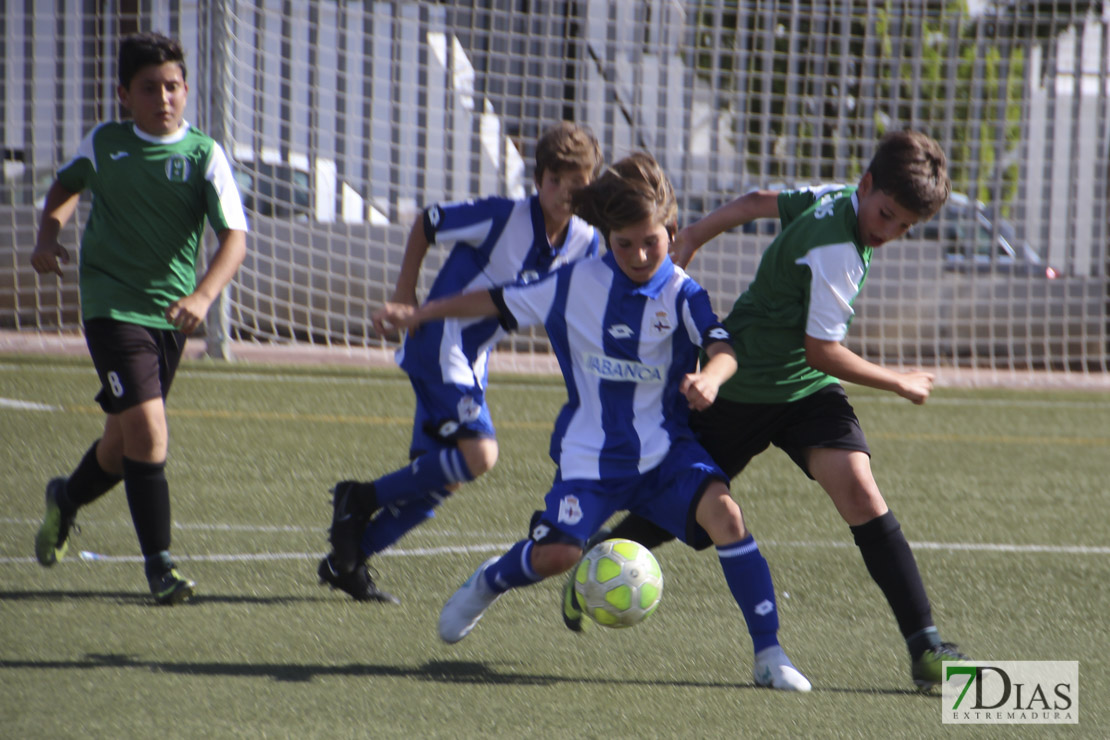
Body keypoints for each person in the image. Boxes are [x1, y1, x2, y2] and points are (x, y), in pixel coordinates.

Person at [376, 152, 812, 692]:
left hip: (665, 452)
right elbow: (494, 299)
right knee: (559, 554)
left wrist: (713, 379)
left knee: (727, 516)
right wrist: (418, 312)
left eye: (650, 241)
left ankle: (769, 654)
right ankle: (490, 579)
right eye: (623, 242)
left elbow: (722, 347)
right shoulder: (572, 282)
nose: (638, 253)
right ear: (607, 237)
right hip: (590, 457)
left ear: (670, 232)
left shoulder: (682, 292)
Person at [591, 130, 968, 690]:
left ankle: (925, 644)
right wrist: (897, 380)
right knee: (680, 506)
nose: (888, 233)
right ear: (867, 186)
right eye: (887, 215)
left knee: (861, 491)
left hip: (805, 392)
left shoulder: (841, 198)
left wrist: (693, 234)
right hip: (742, 385)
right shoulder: (837, 246)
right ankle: (590, 563)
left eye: (905, 227)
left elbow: (757, 201)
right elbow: (825, 349)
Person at [319, 122, 604, 603]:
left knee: (440, 480)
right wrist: (404, 294)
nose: (564, 192)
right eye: (555, 180)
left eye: (576, 182)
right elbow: (427, 221)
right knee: (480, 454)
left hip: (473, 358)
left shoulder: (586, 242)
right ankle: (359, 498)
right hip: (439, 342)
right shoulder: (502, 217)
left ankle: (346, 561)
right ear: (539, 181)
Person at [30, 32, 248, 605]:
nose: (164, 98)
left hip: (171, 314)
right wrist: (47, 236)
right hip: (111, 306)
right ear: (125, 94)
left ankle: (66, 499)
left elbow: (235, 239)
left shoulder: (204, 154)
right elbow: (64, 186)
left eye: (173, 87)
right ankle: (161, 568)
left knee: (120, 445)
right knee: (150, 432)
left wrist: (202, 298)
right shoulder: (106, 143)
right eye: (149, 88)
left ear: (186, 90)